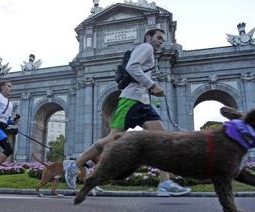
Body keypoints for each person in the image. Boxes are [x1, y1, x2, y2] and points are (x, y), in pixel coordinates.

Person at [65, 28, 191, 196]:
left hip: (143, 103)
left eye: (163, 38)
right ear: (148, 37)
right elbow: (132, 67)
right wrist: (151, 85)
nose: (161, 41)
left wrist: (149, 88)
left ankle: (165, 183)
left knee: (163, 139)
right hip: (131, 101)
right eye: (158, 37)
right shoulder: (146, 47)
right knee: (113, 138)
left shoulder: (150, 52)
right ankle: (76, 164)